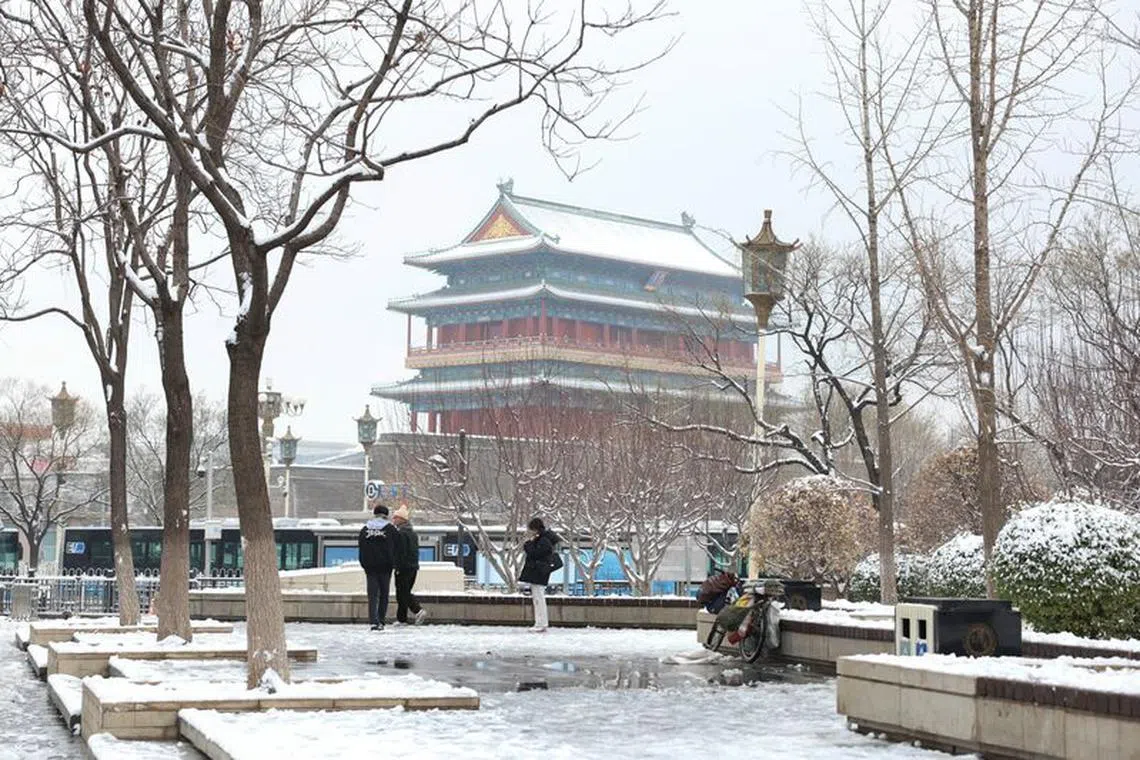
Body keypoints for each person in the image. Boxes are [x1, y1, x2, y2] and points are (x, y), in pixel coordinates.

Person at [358, 503, 399, 631]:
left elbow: (361, 548)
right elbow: (397, 548)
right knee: (384, 595)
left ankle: (373, 621)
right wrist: (394, 563)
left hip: (370, 568)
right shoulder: (390, 529)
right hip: (386, 567)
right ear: (386, 515)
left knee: (372, 595)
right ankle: (381, 620)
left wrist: (364, 564)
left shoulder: (365, 529)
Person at [519, 516, 560, 632]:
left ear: (535, 528)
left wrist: (528, 544)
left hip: (539, 572)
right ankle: (540, 622)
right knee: (538, 598)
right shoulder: (543, 539)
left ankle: (541, 623)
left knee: (538, 599)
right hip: (539, 572)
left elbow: (535, 553)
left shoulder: (543, 540)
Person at [392, 505, 427, 625]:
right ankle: (402, 619)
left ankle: (417, 610)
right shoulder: (412, 533)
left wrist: (397, 566)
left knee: (402, 592)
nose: (393, 519)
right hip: (413, 567)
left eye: (395, 517)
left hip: (403, 567)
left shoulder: (401, 534)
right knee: (404, 592)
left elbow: (400, 552)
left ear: (402, 519)